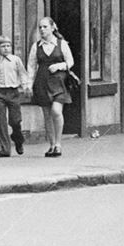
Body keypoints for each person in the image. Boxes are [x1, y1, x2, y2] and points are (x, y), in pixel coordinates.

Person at [27, 17, 75, 157]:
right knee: (47, 115)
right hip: (42, 82)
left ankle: (59, 144)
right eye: (40, 27)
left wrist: (59, 66)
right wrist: (29, 85)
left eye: (45, 27)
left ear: (53, 28)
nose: (42, 30)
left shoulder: (61, 44)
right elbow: (31, 66)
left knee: (56, 111)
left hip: (58, 82)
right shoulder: (36, 46)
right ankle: (52, 145)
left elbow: (70, 62)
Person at [0, 36, 29, 157]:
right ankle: (5, 149)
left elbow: (22, 73)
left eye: (8, 46)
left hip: (13, 92)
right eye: (3, 46)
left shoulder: (15, 60)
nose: (6, 48)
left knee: (15, 120)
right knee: (1, 121)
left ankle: (18, 138)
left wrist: (25, 86)